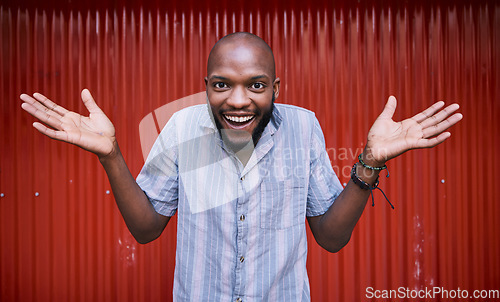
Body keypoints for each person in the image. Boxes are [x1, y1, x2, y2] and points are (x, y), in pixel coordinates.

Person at [20, 32, 462, 301]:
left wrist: (369, 163)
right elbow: (146, 229)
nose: (237, 100)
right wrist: (111, 155)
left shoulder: (304, 128)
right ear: (206, 86)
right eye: (221, 85)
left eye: (255, 85)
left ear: (274, 87)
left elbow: (329, 237)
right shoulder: (180, 128)